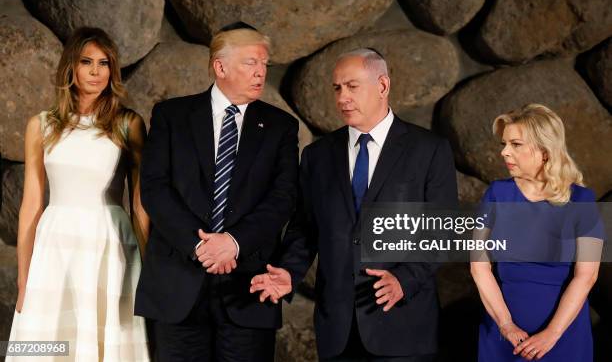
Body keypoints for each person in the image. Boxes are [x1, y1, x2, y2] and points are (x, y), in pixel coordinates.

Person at [250, 48, 457, 361]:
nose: (342, 97)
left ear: (383, 86)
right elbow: (305, 229)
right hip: (338, 332)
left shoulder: (429, 150)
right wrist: (289, 273)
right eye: (337, 88)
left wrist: (405, 279)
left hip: (403, 327)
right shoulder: (317, 157)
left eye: (352, 86)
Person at [134, 23, 299, 361]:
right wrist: (201, 246)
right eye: (251, 62)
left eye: (265, 64)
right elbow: (154, 189)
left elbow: (282, 198)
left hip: (248, 288)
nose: (261, 72)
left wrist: (232, 243)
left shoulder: (281, 126)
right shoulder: (171, 116)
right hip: (177, 284)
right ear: (220, 67)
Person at [8, 27, 150, 360]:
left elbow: (140, 203)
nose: (96, 71)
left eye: (104, 63)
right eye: (87, 62)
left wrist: (147, 265)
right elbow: (31, 204)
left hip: (109, 244)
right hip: (54, 243)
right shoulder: (41, 125)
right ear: (71, 66)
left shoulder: (128, 124)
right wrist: (24, 276)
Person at [471, 104, 604, 361]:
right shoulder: (496, 194)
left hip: (564, 335)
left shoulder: (583, 201)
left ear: (545, 150)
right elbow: (479, 266)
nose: (504, 152)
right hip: (501, 334)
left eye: (515, 144)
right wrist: (505, 324)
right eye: (504, 144)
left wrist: (552, 333)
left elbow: (587, 276)